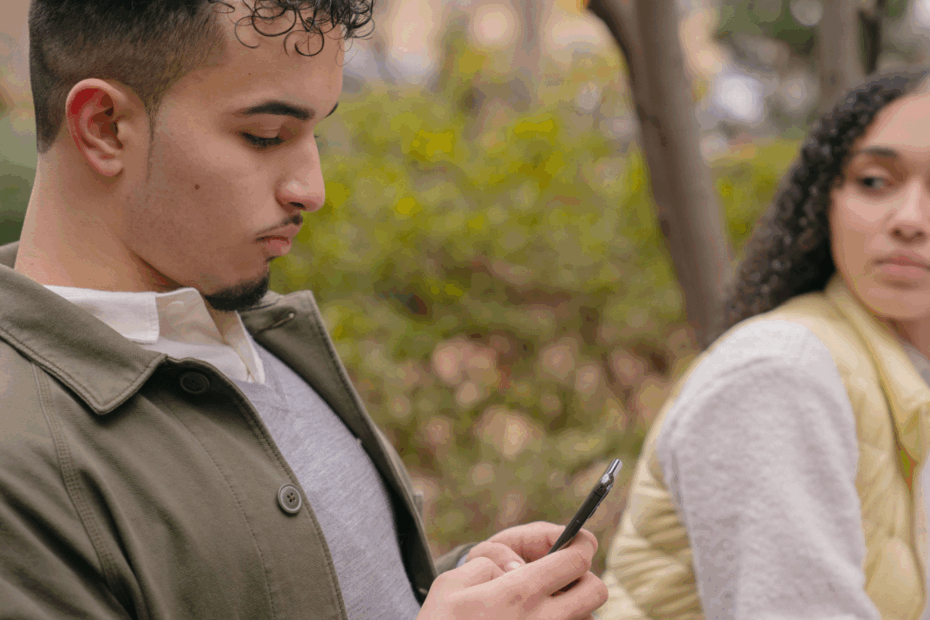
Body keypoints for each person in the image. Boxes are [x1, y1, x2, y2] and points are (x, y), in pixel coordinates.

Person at [0, 1, 609, 619]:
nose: (310, 190)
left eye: (316, 131)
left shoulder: (262, 334)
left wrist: (463, 588)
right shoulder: (19, 463)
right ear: (104, 126)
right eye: (265, 136)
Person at [597, 67, 930, 620]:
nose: (910, 220)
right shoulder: (781, 373)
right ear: (827, 200)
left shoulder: (906, 375)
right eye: (875, 181)